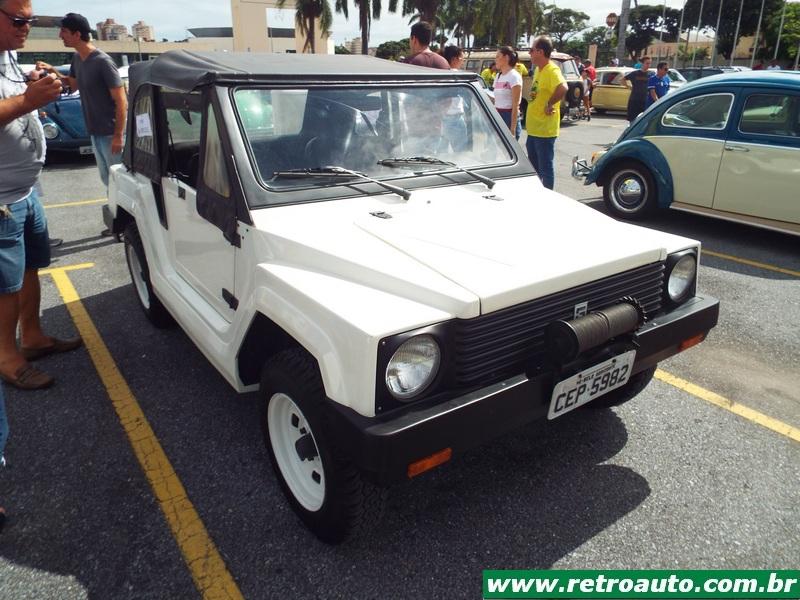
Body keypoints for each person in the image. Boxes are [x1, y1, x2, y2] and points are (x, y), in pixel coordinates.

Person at [1, 0, 83, 391]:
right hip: (3, 198)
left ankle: (32, 337)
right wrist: (28, 100)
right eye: (18, 20)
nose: (26, 27)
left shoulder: (7, 56)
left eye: (30, 20)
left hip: (25, 189)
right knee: (4, 285)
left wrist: (32, 81)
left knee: (31, 266)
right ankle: (7, 357)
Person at [37, 12, 127, 237]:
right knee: (107, 180)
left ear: (77, 34)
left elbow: (121, 100)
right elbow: (73, 85)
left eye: (64, 31)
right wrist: (52, 70)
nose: (60, 36)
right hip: (95, 132)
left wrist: (118, 135)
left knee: (119, 181)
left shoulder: (102, 62)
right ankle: (118, 224)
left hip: (111, 132)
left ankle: (126, 227)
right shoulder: (78, 59)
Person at [525, 35, 567, 190]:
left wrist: (550, 103)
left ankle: (548, 196)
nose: (529, 53)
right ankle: (536, 194)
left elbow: (563, 87)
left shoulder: (551, 70)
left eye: (531, 50)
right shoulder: (538, 69)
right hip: (533, 129)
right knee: (534, 169)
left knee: (545, 169)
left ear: (540, 52)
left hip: (544, 131)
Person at [493, 46, 523, 140]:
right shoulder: (498, 76)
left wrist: (512, 130)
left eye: (498, 56)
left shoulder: (514, 76)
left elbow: (515, 105)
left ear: (506, 58)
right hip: (498, 116)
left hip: (508, 117)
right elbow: (495, 98)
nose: (495, 59)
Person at [442, 45, 467, 152]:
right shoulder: (456, 74)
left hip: (442, 119)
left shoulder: (440, 73)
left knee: (442, 153)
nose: (463, 62)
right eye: (462, 58)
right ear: (454, 59)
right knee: (460, 152)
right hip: (455, 118)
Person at [624, 56, 651, 122]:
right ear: (642, 63)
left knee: (643, 119)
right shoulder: (635, 73)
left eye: (650, 63)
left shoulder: (651, 74)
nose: (648, 65)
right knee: (632, 119)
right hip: (634, 100)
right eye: (647, 63)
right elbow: (622, 79)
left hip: (645, 100)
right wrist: (629, 86)